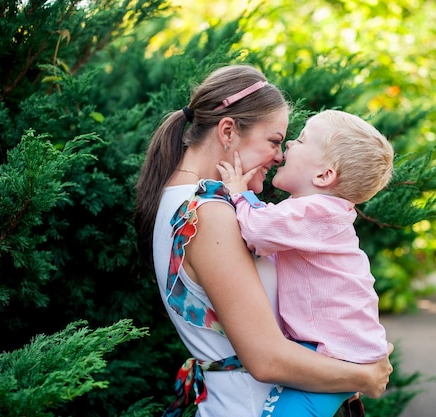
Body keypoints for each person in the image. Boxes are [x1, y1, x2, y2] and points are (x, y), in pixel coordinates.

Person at [134, 65, 393, 417]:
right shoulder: (207, 214)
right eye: (274, 141)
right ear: (228, 131)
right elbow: (267, 359)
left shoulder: (187, 201)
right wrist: (365, 376)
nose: (281, 154)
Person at [216, 109, 394, 417]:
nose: (288, 146)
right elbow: (267, 230)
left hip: (336, 355)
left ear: (324, 176)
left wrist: (237, 193)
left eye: (300, 140)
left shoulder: (318, 211)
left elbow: (258, 230)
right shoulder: (318, 215)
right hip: (340, 350)